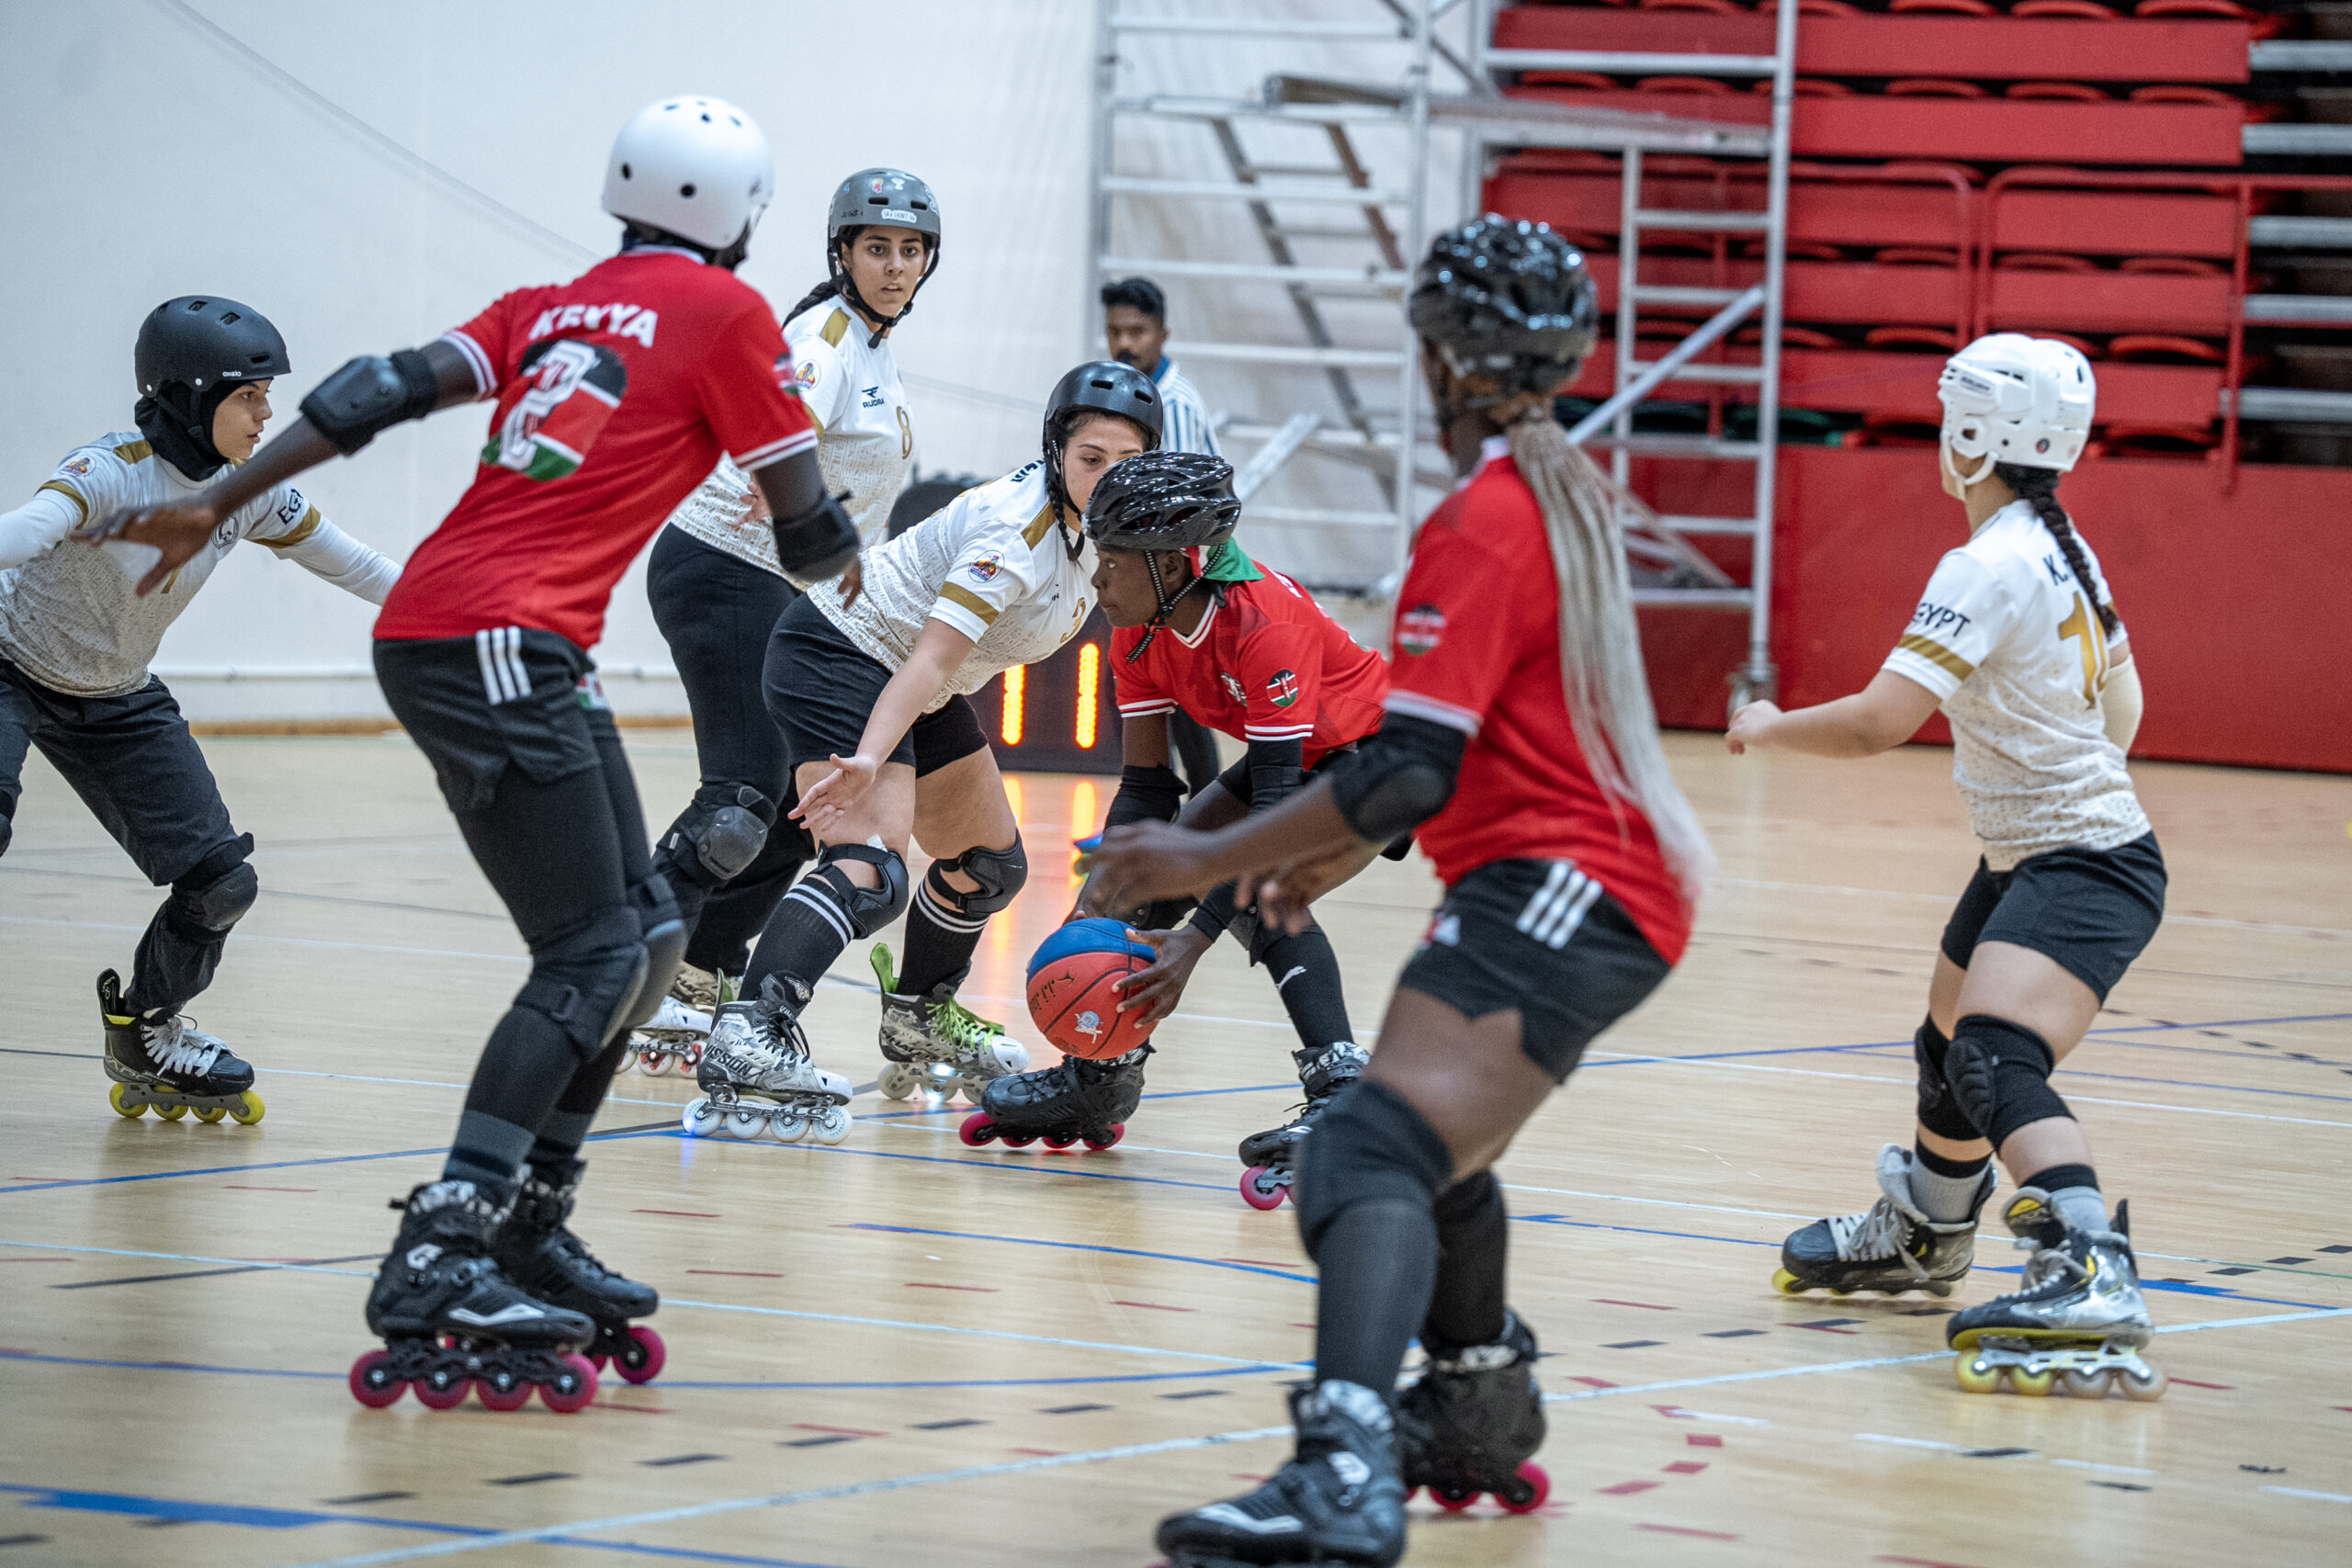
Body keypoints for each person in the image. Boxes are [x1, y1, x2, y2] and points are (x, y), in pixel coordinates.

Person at [97, 96, 857, 1410]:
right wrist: (873, 560)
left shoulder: (549, 302)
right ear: (742, 212)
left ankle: (528, 1219)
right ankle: (444, 1243)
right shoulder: (735, 317)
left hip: (477, 630)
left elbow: (373, 389)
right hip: (499, 636)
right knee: (591, 952)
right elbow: (806, 535)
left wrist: (216, 497)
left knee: (652, 927)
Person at [1087, 217, 1713, 1566]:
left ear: (1439, 358)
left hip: (1568, 882)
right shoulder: (1558, 488)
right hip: (1553, 874)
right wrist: (1285, 855)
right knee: (1427, 1150)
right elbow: (1426, 761)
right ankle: (1478, 1407)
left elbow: (1408, 770)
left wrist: (1203, 862)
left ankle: (1342, 1460)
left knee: (1363, 1152)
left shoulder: (1484, 517)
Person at [1728, 333, 2166, 1400]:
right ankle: (1927, 1232)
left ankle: (2087, 1267)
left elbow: (1881, 722)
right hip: (2035, 851)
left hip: (2083, 863)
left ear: (1970, 440)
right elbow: (2126, 707)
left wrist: (1770, 724)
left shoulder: (1986, 562)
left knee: (1992, 1057)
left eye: (1944, 419)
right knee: (1942, 1043)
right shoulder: (2060, 544)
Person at [684, 360, 1161, 1131]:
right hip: (841, 652)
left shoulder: (1097, 530)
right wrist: (872, 757)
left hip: (910, 678)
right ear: (1056, 453)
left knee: (988, 865)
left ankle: (917, 1016)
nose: (1107, 479)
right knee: (871, 867)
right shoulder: (1017, 532)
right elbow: (931, 659)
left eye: (1127, 463)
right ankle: (750, 1031)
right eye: (1090, 459)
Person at [0, 295, 399, 1127]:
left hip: (115, 692)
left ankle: (145, 1028)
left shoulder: (249, 489)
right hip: (9, 662)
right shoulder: (111, 470)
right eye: (249, 395)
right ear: (188, 394)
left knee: (222, 884)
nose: (267, 413)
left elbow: (355, 565)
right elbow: (30, 528)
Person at [974, 450, 1395, 1208]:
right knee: (1127, 883)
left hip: (1375, 759)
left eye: (1111, 563)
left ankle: (1341, 1084)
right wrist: (1097, 906)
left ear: (1173, 563)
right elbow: (1145, 791)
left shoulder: (1266, 624)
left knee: (1270, 891)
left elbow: (1269, 825)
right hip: (1294, 764)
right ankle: (1099, 1078)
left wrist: (1192, 942)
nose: (1097, 581)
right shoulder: (1135, 632)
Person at [631, 168, 941, 1072]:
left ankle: (697, 976)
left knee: (791, 816)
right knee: (737, 803)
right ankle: (617, 968)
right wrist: (797, 516)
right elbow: (772, 429)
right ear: (841, 254)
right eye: (875, 247)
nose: (894, 265)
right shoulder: (827, 338)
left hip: (776, 584)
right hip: (726, 568)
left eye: (910, 250)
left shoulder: (873, 347)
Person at [1102, 274, 1220, 795]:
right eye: (1115, 331)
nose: (1125, 344)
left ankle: (1181, 817)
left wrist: (1174, 592)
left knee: (1180, 703)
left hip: (1178, 577)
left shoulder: (1177, 405)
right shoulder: (1136, 396)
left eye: (1137, 331)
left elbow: (1191, 511)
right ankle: (1165, 815)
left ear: (1163, 334)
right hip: (1148, 573)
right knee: (1155, 698)